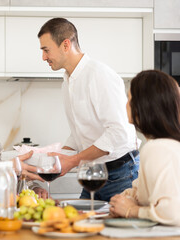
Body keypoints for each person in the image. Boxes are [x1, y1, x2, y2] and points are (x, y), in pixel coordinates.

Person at [38, 18, 140, 201]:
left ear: (66, 45)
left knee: (119, 228)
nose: (43, 57)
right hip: (94, 172)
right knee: (82, 223)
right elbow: (79, 133)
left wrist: (71, 161)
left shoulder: (100, 75)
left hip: (121, 173)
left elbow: (118, 133)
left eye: (46, 50)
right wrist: (58, 157)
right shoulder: (67, 82)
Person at [109, 70, 180, 225]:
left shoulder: (157, 148)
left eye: (129, 99)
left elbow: (174, 212)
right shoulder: (167, 145)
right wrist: (127, 198)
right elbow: (145, 190)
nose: (126, 104)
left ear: (143, 105)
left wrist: (131, 210)